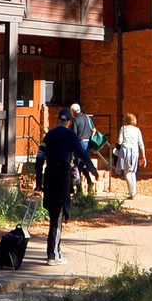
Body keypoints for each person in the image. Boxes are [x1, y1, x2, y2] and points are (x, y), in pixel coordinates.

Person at [33, 107, 96, 264]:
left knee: (53, 215)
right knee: (58, 215)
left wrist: (39, 183)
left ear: (58, 120)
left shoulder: (49, 135)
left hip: (49, 175)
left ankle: (54, 250)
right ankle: (53, 254)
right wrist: (93, 170)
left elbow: (39, 158)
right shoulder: (70, 136)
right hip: (62, 175)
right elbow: (82, 154)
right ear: (69, 121)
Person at [114, 112, 146, 200]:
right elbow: (141, 144)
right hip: (135, 151)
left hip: (125, 151)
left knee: (127, 172)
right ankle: (134, 191)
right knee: (132, 172)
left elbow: (120, 141)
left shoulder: (123, 128)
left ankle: (131, 192)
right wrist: (143, 156)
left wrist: (115, 148)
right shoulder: (137, 130)